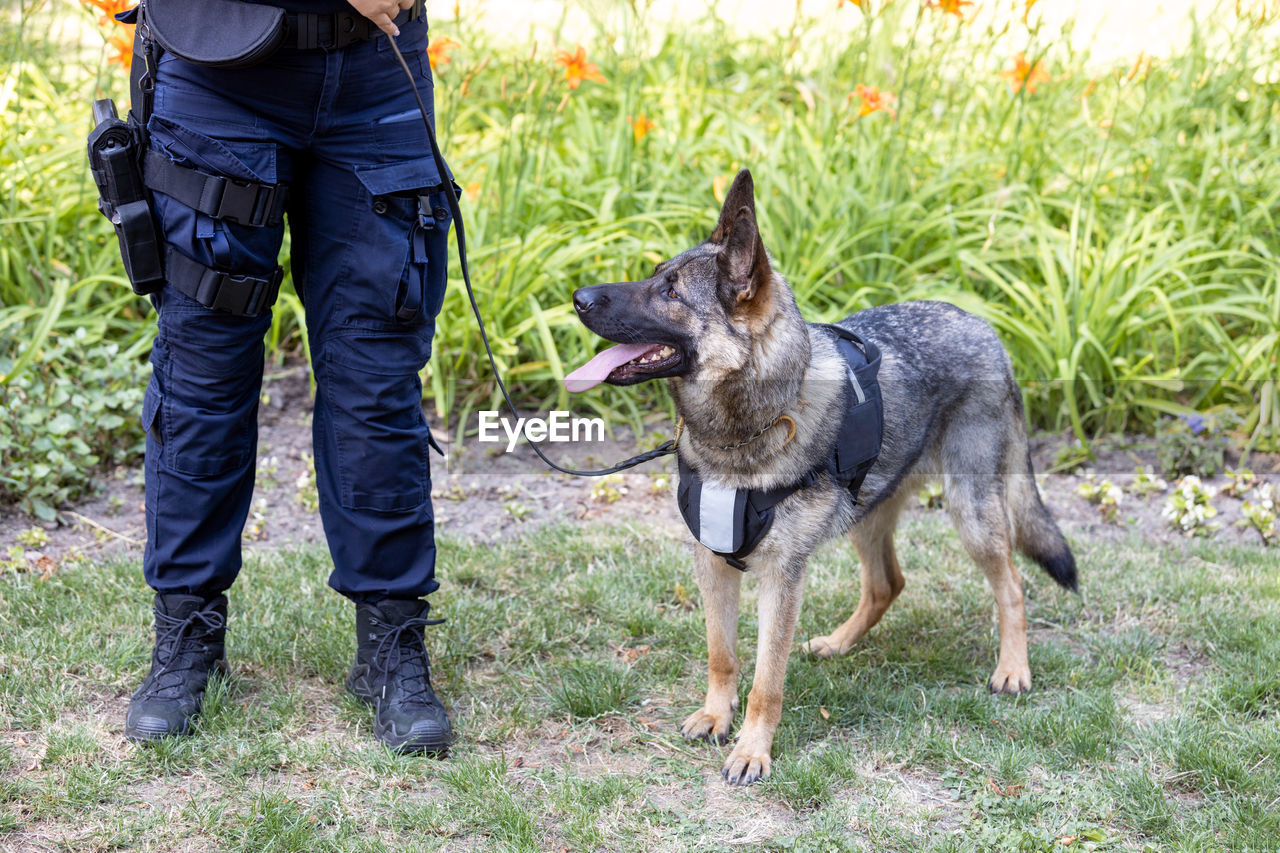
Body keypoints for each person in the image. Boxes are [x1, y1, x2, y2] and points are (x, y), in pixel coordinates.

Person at [121, 0, 454, 754]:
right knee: (202, 373)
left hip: (376, 64)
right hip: (219, 69)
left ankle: (392, 642)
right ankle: (186, 635)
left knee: (376, 374)